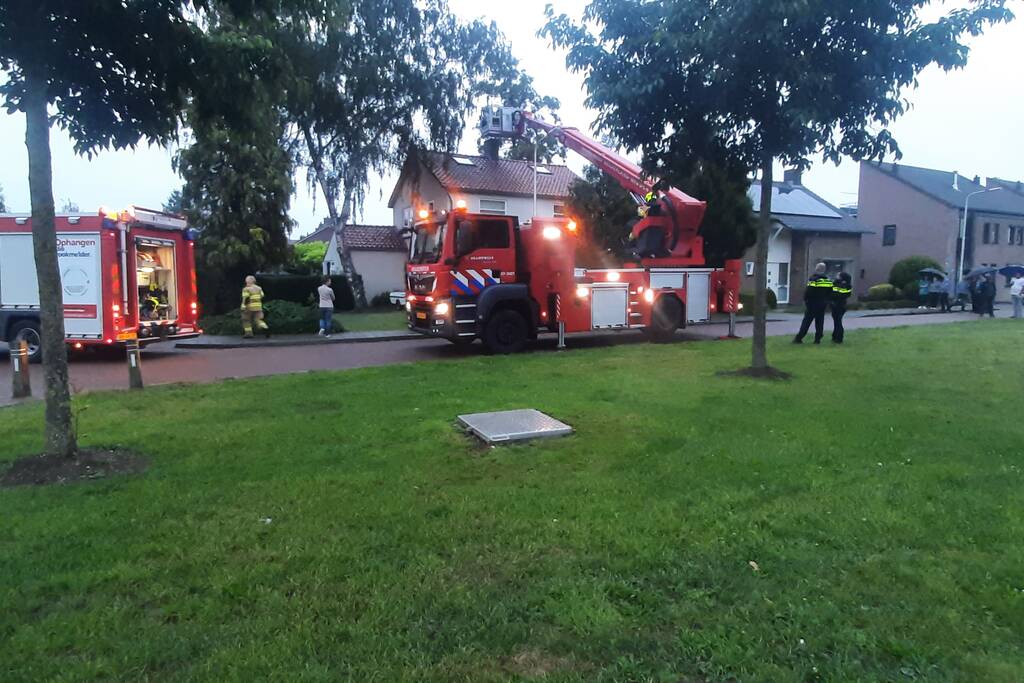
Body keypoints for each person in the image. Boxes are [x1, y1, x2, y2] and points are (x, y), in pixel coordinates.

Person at [793, 263, 833, 344]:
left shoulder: (814, 279)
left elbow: (808, 292)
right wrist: (826, 301)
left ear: (817, 269)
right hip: (822, 305)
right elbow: (830, 293)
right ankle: (817, 339)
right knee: (820, 322)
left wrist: (806, 301)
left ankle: (799, 338)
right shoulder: (828, 281)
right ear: (824, 270)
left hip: (812, 304)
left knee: (806, 322)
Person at [830, 271, 853, 344]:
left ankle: (839, 338)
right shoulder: (848, 285)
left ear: (841, 277)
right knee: (837, 321)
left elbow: (833, 294)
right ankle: (835, 336)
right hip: (842, 305)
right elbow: (847, 295)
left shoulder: (837, 284)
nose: (836, 276)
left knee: (838, 322)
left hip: (836, 305)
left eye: (838, 275)